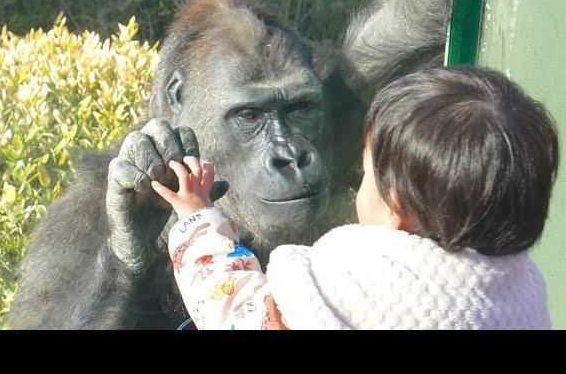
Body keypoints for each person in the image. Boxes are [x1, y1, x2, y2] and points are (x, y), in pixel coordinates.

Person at [151, 66, 559, 330]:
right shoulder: (522, 288)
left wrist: (198, 220)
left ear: (397, 204)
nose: (291, 156)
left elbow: (235, 310)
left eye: (364, 173)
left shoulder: (356, 272)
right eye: (251, 115)